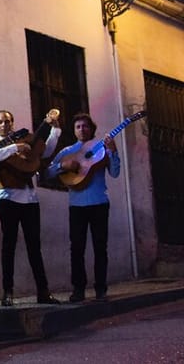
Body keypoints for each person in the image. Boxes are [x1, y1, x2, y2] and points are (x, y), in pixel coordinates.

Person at [0, 109, 61, 306]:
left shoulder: (26, 142)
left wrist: (55, 131)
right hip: (7, 198)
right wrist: (16, 147)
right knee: (8, 245)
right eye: (0, 121)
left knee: (34, 246)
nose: (4, 124)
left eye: (7, 121)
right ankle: (7, 292)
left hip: (30, 199)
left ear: (12, 123)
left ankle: (43, 291)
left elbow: (45, 151)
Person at [45, 113, 120, 302]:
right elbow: (47, 172)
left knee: (100, 247)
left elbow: (115, 172)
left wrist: (113, 151)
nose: (81, 129)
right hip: (76, 206)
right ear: (74, 130)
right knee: (77, 248)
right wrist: (64, 165)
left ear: (91, 129)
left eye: (85, 126)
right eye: (78, 127)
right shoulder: (68, 151)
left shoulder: (101, 149)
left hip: (99, 203)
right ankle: (78, 289)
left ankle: (101, 288)